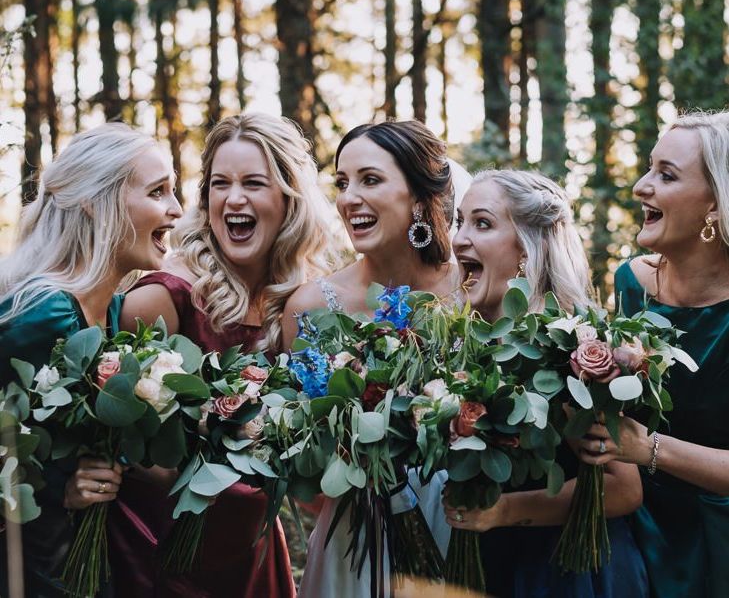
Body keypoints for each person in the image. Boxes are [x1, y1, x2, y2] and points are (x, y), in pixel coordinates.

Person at [109, 112, 336, 598]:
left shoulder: (303, 303)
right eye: (219, 184)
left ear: (289, 198)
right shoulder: (162, 298)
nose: (234, 199)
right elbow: (117, 449)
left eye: (254, 183)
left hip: (252, 551)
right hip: (160, 554)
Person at [282, 119, 463, 597]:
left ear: (421, 199)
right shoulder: (310, 307)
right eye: (343, 183)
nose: (349, 198)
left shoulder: (472, 290)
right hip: (354, 540)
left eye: (370, 179)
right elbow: (301, 461)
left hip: (461, 526)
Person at [0, 123, 182, 597]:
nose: (176, 209)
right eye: (158, 191)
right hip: (32, 569)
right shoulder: (44, 313)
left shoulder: (119, 313)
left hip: (90, 563)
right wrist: (55, 489)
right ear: (95, 202)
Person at [446, 169, 648, 597]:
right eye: (459, 221)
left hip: (565, 571)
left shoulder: (563, 350)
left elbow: (622, 488)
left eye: (481, 223)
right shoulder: (460, 343)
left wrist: (503, 511)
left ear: (526, 248)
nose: (459, 238)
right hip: (489, 560)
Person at [578, 111, 729, 598]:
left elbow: (638, 440)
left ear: (714, 204)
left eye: (666, 175)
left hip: (717, 539)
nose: (642, 186)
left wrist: (649, 449)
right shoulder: (631, 283)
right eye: (648, 168)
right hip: (632, 529)